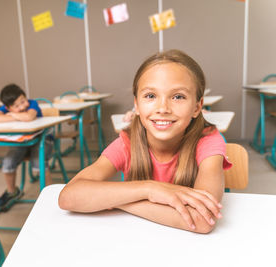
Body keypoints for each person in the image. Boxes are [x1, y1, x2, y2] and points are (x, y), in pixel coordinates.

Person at [59, 50, 232, 234]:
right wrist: (150, 189)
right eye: (150, 96)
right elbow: (68, 197)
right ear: (137, 105)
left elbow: (202, 221)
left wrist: (118, 201)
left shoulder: (208, 142)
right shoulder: (128, 143)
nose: (163, 108)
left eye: (178, 96)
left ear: (197, 107)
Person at [0, 83, 53, 208]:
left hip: (43, 140)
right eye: (16, 106)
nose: (22, 106)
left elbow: (29, 117)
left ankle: (50, 196)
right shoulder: (6, 108)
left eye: (22, 101)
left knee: (38, 162)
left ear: (25, 97)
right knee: (8, 162)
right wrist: (19, 117)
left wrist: (13, 114)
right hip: (22, 143)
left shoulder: (32, 103)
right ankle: (12, 192)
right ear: (7, 107)